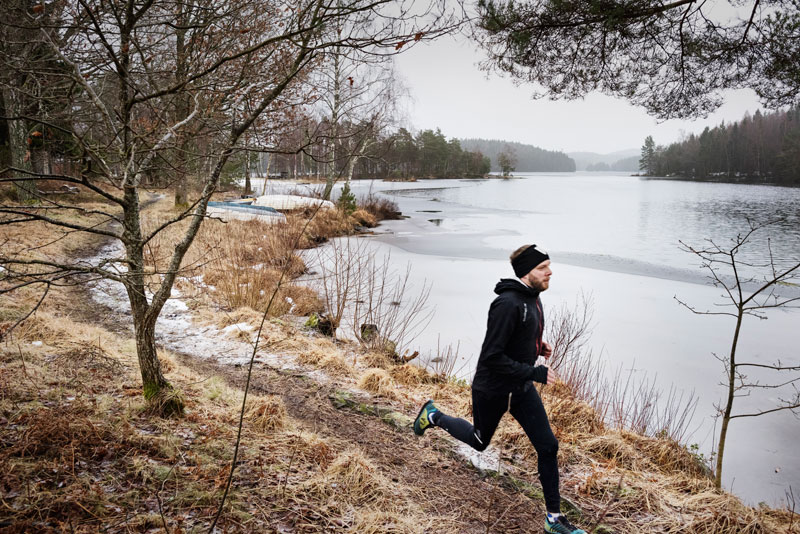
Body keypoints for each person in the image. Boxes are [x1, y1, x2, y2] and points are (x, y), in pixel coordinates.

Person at [413, 244, 586, 534]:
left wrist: (536, 346)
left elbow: (518, 337)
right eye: (543, 268)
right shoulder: (508, 304)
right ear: (526, 272)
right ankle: (433, 416)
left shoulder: (534, 298)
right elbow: (492, 356)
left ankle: (554, 520)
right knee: (480, 441)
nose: (550, 271)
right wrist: (535, 372)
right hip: (492, 389)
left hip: (519, 389)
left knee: (548, 446)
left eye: (549, 266)